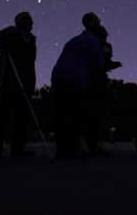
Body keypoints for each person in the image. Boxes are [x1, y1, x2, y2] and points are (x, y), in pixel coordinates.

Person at [51, 12, 106, 158]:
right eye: (97, 21)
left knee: (63, 115)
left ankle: (64, 151)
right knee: (76, 115)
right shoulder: (93, 41)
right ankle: (79, 150)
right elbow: (98, 65)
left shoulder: (76, 39)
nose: (99, 22)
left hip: (58, 77)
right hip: (73, 80)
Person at [0, 12, 37, 158]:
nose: (30, 23)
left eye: (30, 20)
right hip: (8, 81)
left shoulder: (31, 39)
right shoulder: (11, 33)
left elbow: (30, 64)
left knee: (21, 117)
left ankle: (18, 149)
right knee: (2, 115)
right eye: (27, 20)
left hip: (25, 81)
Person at [84, 25, 122, 155]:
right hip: (94, 82)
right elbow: (100, 63)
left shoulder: (99, 45)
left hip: (95, 81)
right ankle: (93, 145)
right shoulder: (97, 46)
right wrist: (110, 64)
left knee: (96, 115)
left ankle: (93, 145)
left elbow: (104, 63)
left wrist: (111, 64)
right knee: (94, 115)